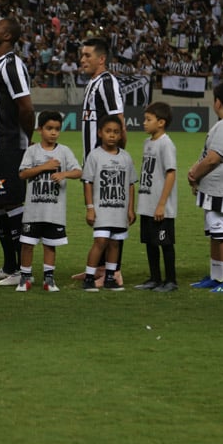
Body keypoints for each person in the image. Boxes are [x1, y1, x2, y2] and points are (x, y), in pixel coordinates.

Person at [0, 18, 36, 287]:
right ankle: (9, 265)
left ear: (9, 35)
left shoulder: (12, 65)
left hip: (10, 145)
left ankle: (22, 270)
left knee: (12, 201)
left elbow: (25, 107)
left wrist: (28, 138)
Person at [187, 82, 223, 293]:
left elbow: (213, 159)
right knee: (215, 232)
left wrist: (195, 173)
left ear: (218, 102)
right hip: (215, 187)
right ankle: (216, 276)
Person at [78, 37, 128, 285]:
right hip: (95, 165)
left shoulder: (107, 82)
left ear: (101, 59)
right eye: (81, 55)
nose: (82, 60)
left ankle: (114, 271)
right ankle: (99, 268)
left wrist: (117, 160)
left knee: (111, 217)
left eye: (87, 55)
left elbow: (119, 122)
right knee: (101, 218)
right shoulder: (93, 83)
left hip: (107, 166)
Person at [16, 110, 82, 292]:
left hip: (54, 211)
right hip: (33, 210)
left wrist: (64, 173)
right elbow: (22, 173)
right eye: (49, 128)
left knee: (50, 245)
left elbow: (78, 171)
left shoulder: (64, 151)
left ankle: (49, 279)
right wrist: (44, 167)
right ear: (40, 130)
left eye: (57, 129)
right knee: (27, 244)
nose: (53, 133)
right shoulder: (32, 151)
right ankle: (25, 277)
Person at [81, 115, 136, 292]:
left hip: (119, 210)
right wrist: (90, 208)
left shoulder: (126, 157)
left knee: (115, 243)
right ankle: (89, 277)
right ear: (100, 133)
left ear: (121, 135)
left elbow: (130, 184)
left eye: (116, 132)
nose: (112, 135)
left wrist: (130, 209)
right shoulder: (95, 156)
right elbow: (87, 182)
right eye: (108, 131)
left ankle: (110, 277)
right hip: (101, 209)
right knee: (101, 241)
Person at [134, 102, 178, 293]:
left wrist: (161, 204)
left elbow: (171, 173)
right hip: (147, 203)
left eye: (148, 119)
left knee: (165, 243)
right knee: (151, 243)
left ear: (161, 122)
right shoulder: (147, 143)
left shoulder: (166, 143)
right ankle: (154, 278)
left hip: (161, 207)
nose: (144, 123)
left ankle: (171, 280)